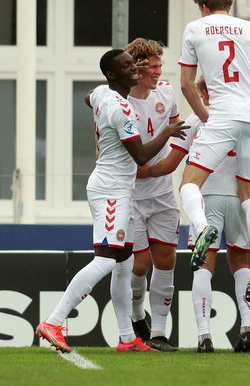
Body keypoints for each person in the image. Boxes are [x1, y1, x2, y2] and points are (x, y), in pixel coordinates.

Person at [35, 49, 187, 353]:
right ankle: (54, 321)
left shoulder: (102, 93)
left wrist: (109, 84)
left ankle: (127, 338)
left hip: (120, 190)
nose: (135, 68)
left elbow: (87, 97)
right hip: (111, 191)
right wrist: (168, 131)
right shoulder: (121, 109)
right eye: (127, 66)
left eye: (134, 63)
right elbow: (141, 155)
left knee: (123, 263)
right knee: (105, 259)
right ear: (112, 74)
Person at [178, 0, 250, 304]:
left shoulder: (195, 28)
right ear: (229, 4)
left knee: (189, 183)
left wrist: (206, 117)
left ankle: (202, 227)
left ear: (204, 8)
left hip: (222, 113)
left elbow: (187, 83)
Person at [138, 75, 250, 353]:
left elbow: (169, 165)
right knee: (242, 264)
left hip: (205, 198)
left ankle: (204, 335)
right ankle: (248, 329)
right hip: (241, 197)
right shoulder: (245, 117)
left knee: (204, 265)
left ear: (203, 92)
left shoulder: (194, 121)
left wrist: (144, 172)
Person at [121, 38, 180, 352]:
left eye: (160, 65)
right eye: (152, 66)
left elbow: (177, 132)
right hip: (132, 195)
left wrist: (163, 168)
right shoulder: (120, 100)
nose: (158, 71)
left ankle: (158, 332)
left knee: (166, 259)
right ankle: (135, 313)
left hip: (162, 194)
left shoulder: (167, 93)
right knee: (140, 264)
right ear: (137, 69)